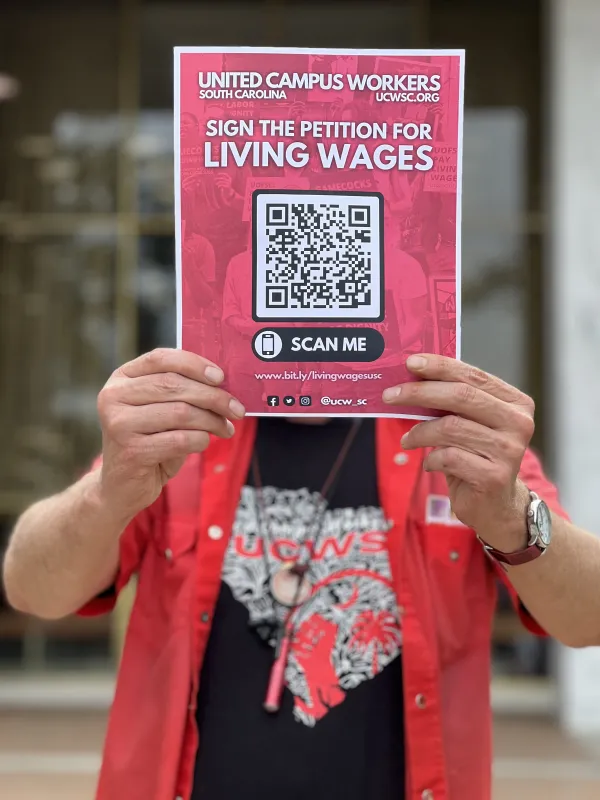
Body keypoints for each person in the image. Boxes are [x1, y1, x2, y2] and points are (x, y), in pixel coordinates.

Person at [4, 348, 600, 800]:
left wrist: (514, 516)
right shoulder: (181, 429)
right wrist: (108, 493)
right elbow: (31, 586)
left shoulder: (449, 438)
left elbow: (587, 616)